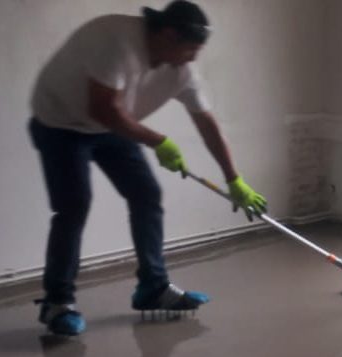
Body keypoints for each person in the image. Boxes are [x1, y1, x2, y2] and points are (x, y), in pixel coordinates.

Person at [29, 1, 267, 336]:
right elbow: (103, 109)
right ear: (168, 35)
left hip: (109, 127)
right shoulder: (115, 40)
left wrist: (234, 179)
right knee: (74, 206)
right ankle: (57, 302)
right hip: (60, 125)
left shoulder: (181, 71)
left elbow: (206, 123)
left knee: (146, 194)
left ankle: (152, 288)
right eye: (190, 49)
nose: (193, 58)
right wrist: (159, 141)